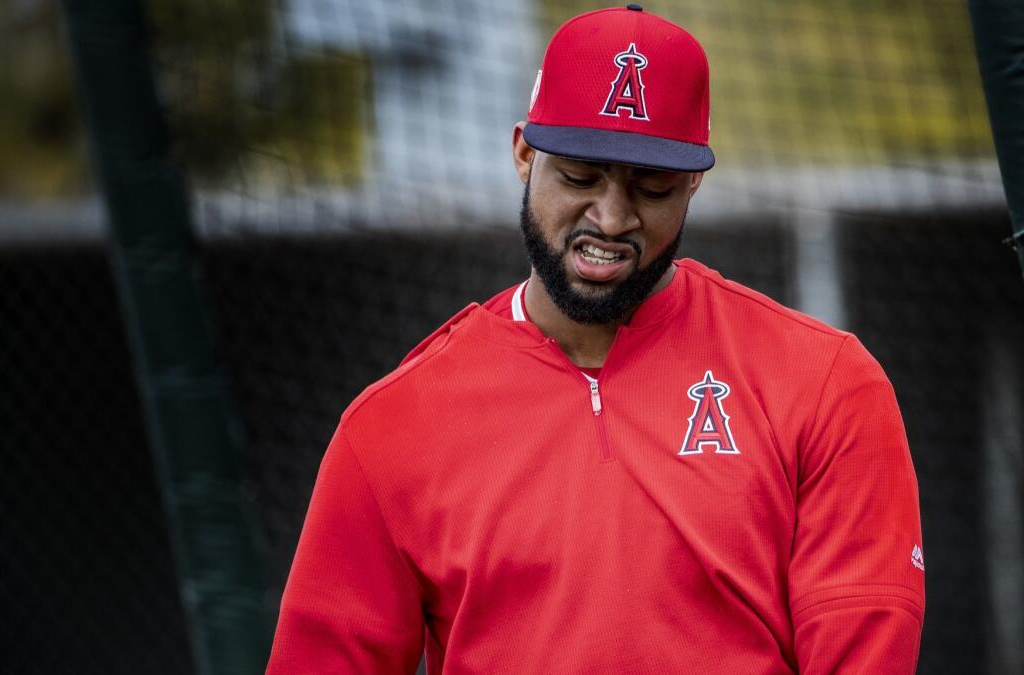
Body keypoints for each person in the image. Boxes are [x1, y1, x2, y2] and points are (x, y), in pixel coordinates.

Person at [266, 5, 924, 673]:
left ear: (694, 179)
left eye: (653, 186)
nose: (611, 218)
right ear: (523, 153)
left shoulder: (824, 382)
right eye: (580, 177)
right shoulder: (393, 424)